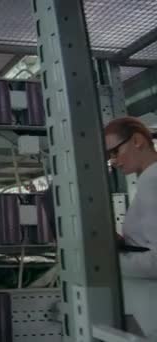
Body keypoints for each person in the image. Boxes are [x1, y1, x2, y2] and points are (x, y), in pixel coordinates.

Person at [104, 117, 157, 339]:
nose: (113, 161)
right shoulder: (147, 181)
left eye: (115, 152)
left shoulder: (152, 182)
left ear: (137, 140)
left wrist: (109, 262)